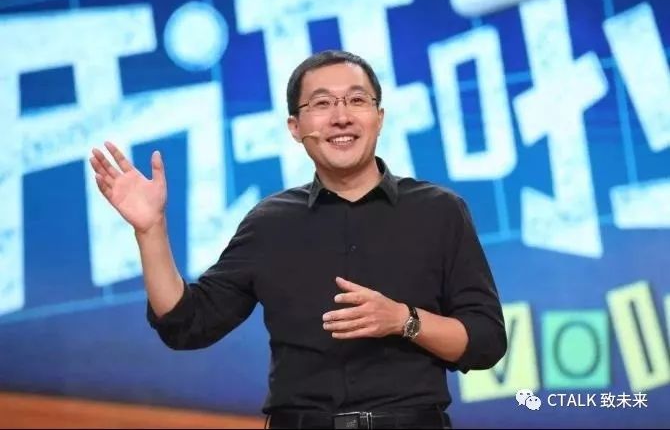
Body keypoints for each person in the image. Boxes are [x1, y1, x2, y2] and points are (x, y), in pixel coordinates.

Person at [89, 50, 506, 429]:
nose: (341, 117)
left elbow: (486, 341)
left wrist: (403, 319)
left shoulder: (439, 211)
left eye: (356, 100)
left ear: (379, 117)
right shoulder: (270, 223)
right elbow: (187, 325)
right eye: (321, 104)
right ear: (295, 126)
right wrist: (151, 230)